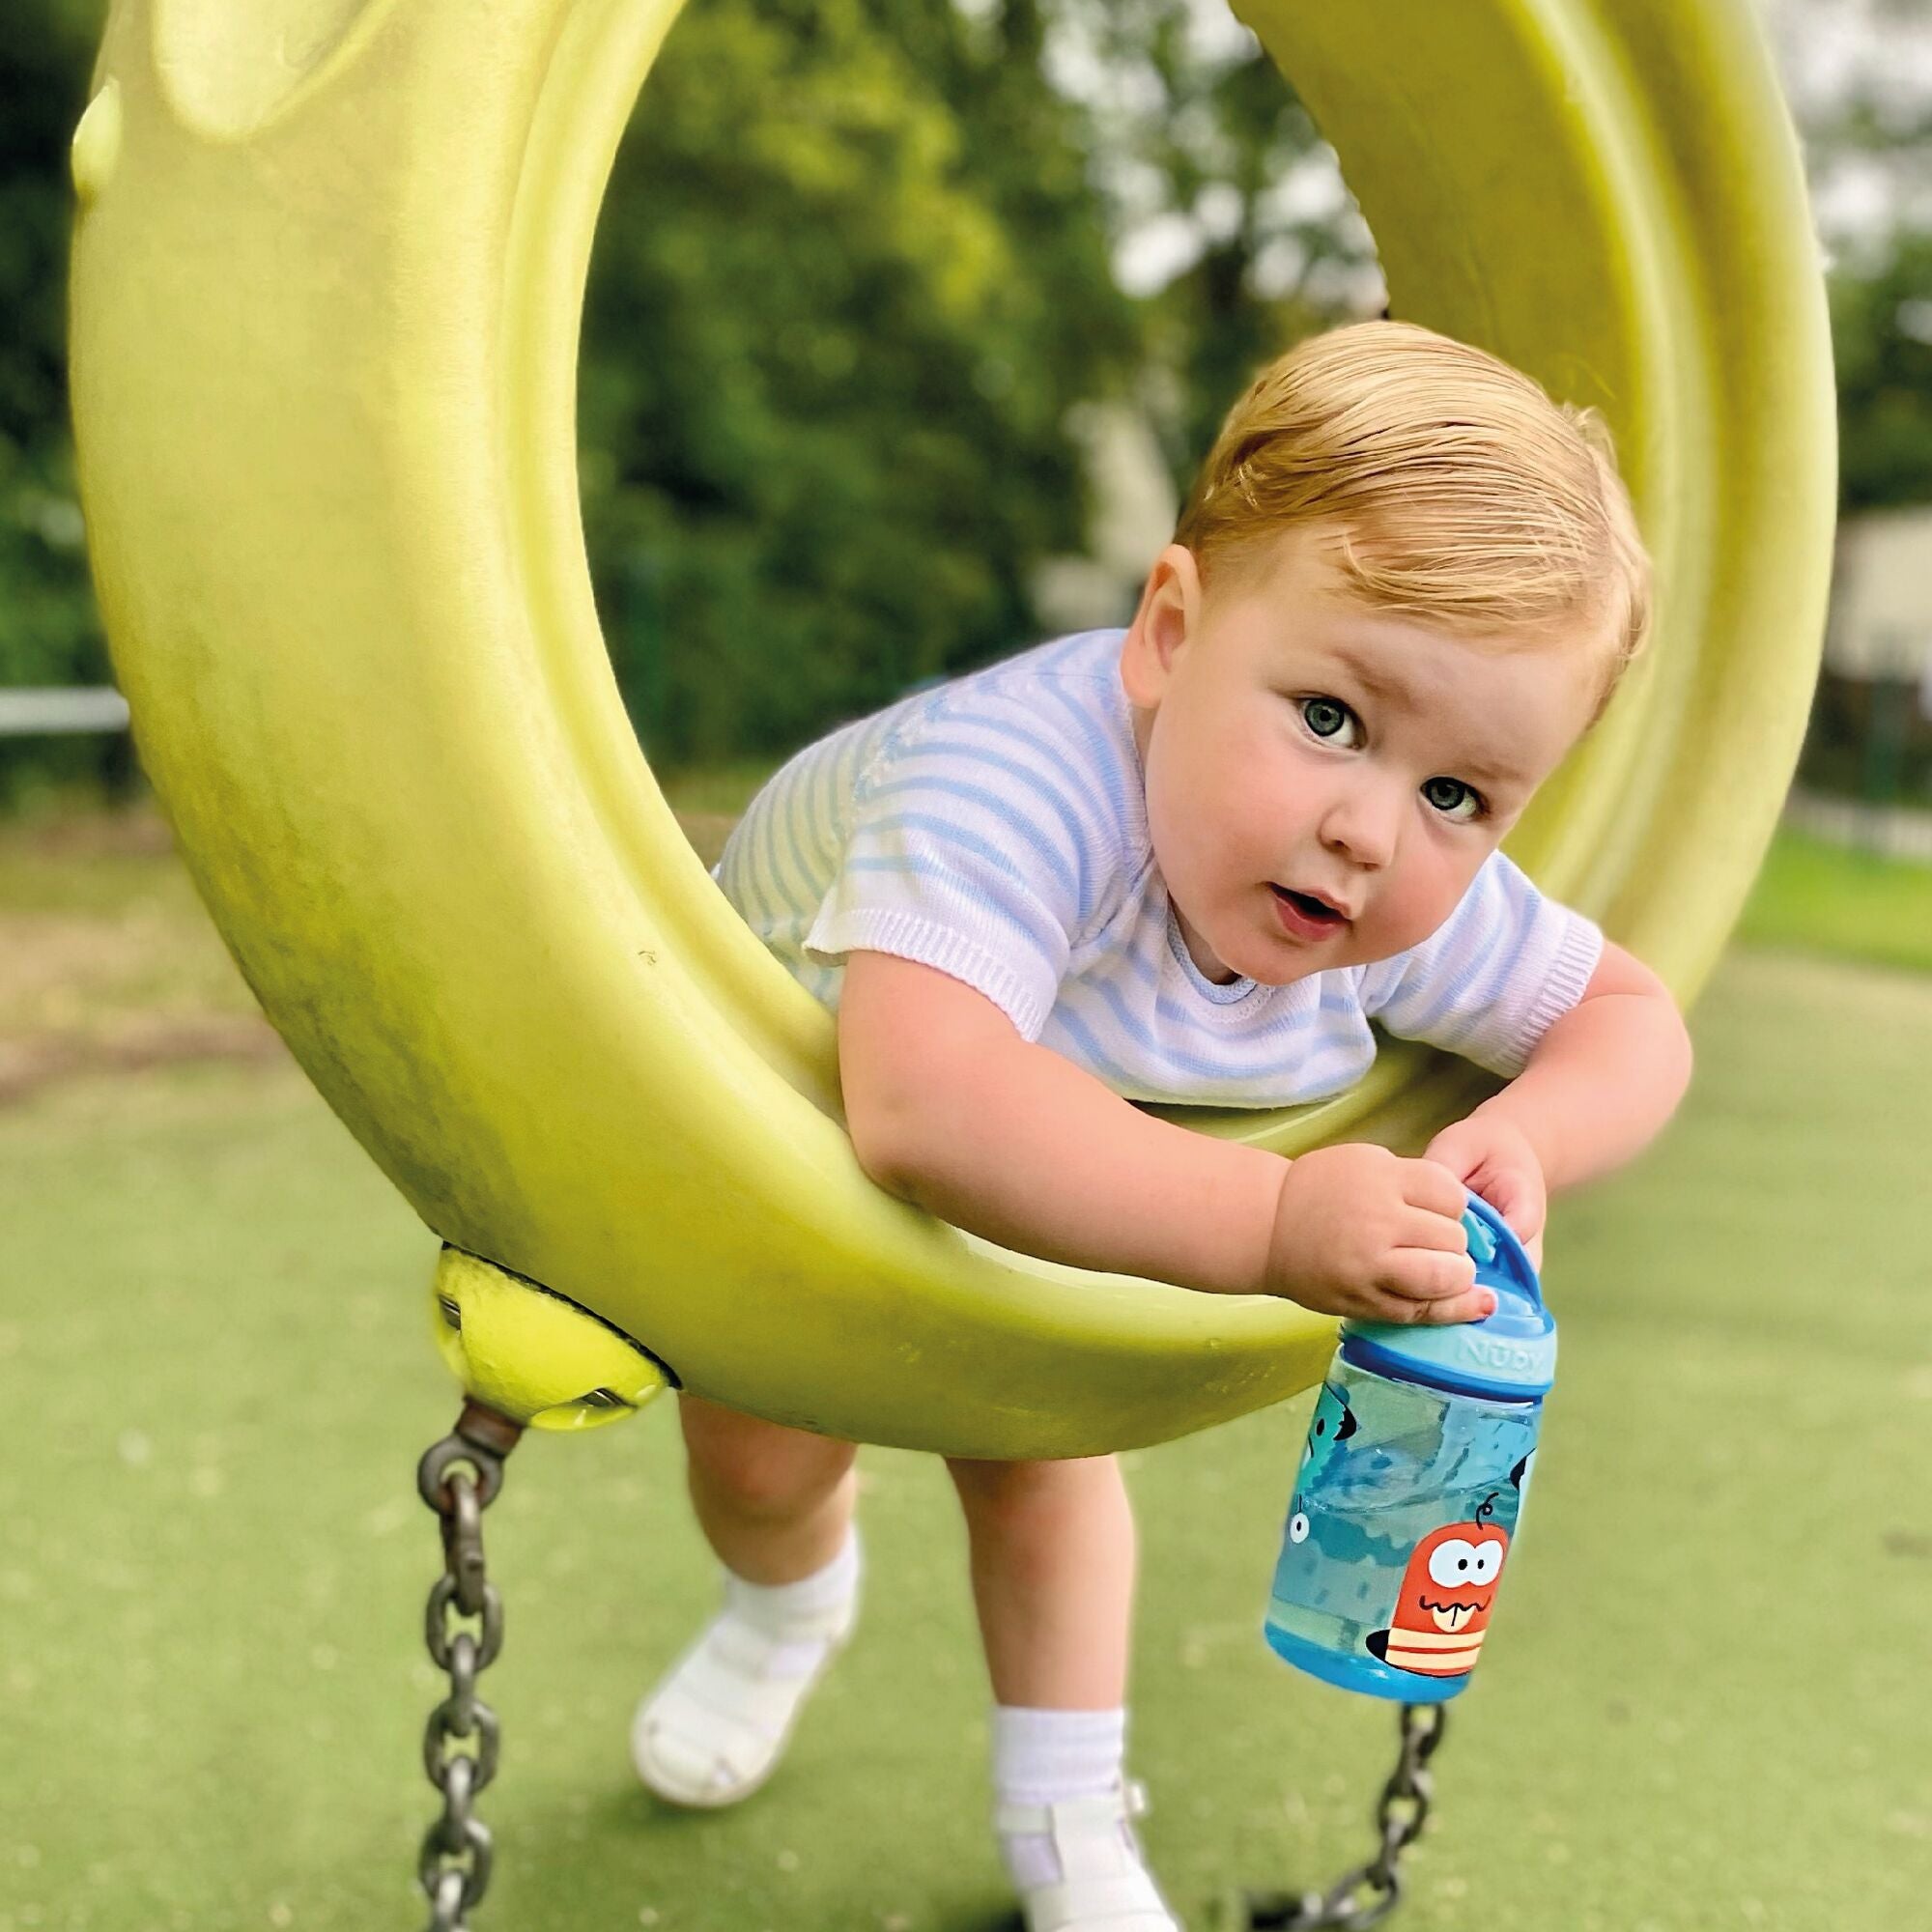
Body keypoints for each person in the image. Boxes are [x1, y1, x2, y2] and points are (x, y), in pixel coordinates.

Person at [630, 319, 1694, 1931]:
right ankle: (788, 1606)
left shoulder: (1398, 892)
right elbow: (920, 1103)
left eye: (1460, 794)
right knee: (766, 1458)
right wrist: (1270, 1228)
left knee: (1043, 1458)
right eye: (1331, 717)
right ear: (1171, 632)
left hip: (1055, 1148)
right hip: (793, 1131)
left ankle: (1069, 1828)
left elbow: (1632, 1022)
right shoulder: (1011, 783)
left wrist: (1534, 1135)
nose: (1366, 826)